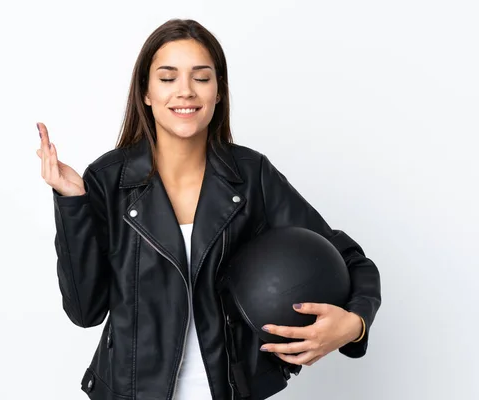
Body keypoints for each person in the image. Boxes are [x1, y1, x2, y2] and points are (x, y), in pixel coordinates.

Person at [36, 19, 381, 400]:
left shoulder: (251, 176)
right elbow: (85, 311)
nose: (185, 91)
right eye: (167, 78)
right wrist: (72, 203)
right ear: (146, 93)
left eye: (201, 78)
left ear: (218, 92)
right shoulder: (108, 180)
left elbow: (350, 259)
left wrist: (354, 325)